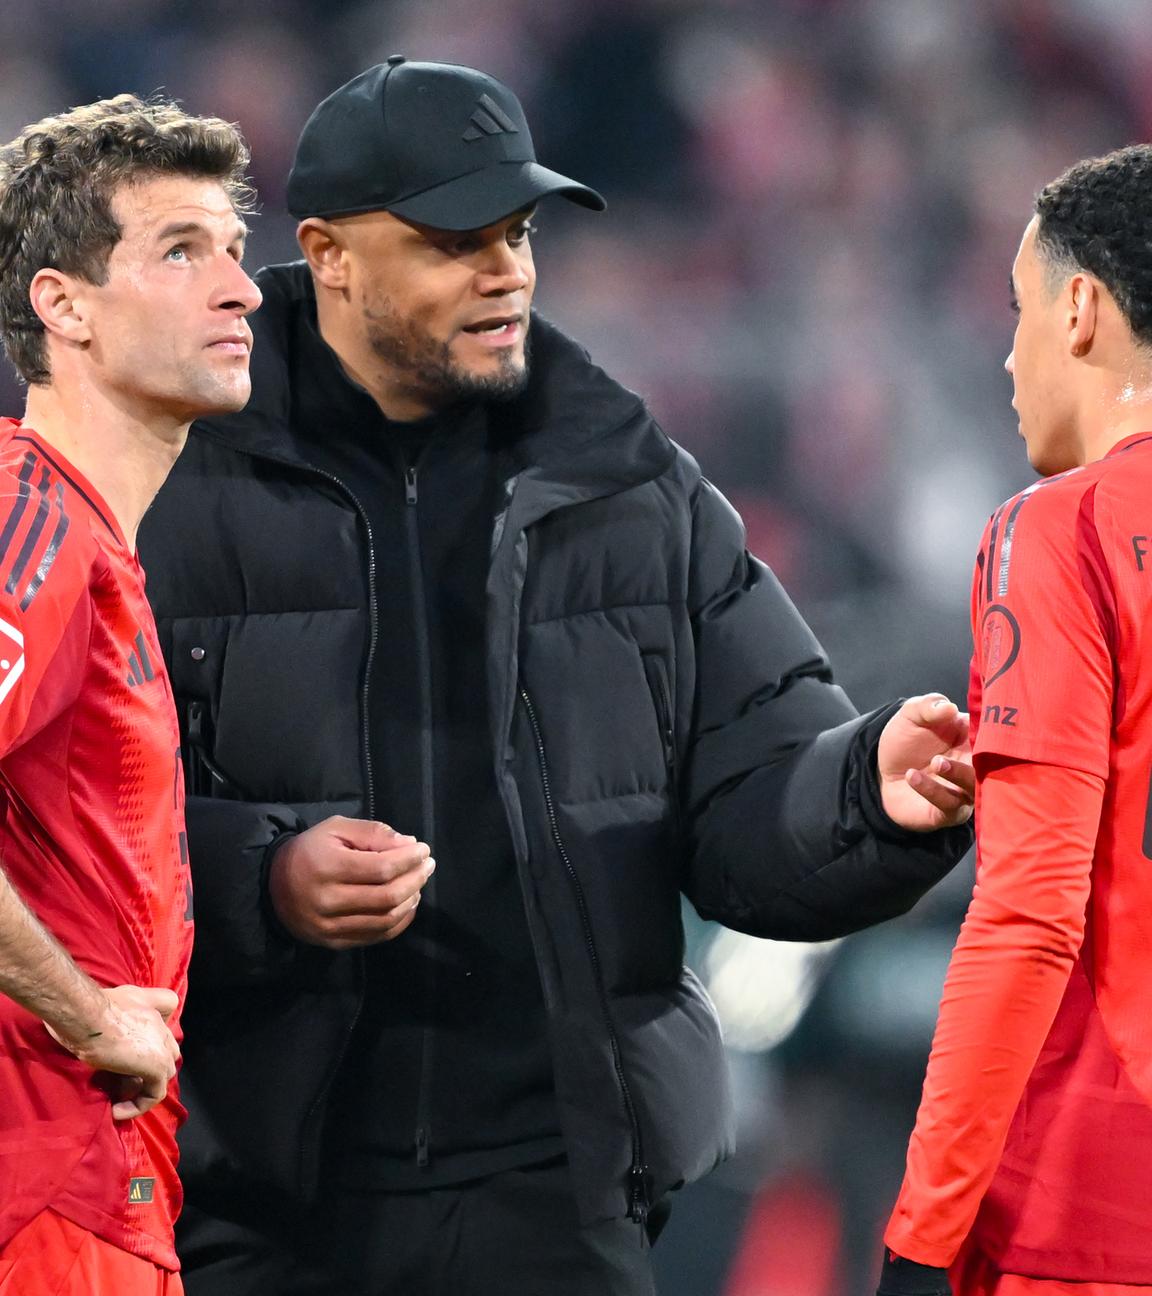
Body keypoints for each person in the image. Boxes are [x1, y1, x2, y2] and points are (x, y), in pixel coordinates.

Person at [139, 59, 973, 1296]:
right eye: (454, 240)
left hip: (551, 1190)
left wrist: (867, 791)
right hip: (248, 1192)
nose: (507, 271)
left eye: (519, 233)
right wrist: (264, 875)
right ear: (327, 253)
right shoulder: (165, 477)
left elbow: (748, 796)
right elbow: (62, 820)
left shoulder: (635, 489)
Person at [878, 145, 1152, 1296]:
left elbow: (1030, 917)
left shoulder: (1063, 530)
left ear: (1080, 308)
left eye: (1018, 310)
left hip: (1092, 1207)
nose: (1007, 355)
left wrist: (921, 1236)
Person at [0, 96, 262, 1294]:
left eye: (233, 248)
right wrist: (89, 1017)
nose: (240, 288)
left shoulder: (91, 541)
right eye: (180, 249)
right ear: (63, 307)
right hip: (40, 1189)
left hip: (100, 1195)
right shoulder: (28, 516)